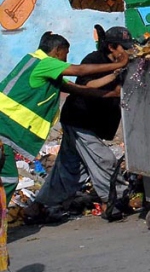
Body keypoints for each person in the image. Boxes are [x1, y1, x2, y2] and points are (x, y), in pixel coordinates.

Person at [24, 26, 135, 224]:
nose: (127, 52)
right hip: (79, 120)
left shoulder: (124, 64)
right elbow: (86, 85)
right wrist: (114, 74)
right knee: (105, 160)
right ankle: (112, 202)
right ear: (111, 47)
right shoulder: (94, 60)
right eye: (123, 48)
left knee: (70, 170)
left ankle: (38, 206)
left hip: (90, 123)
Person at [0, 32, 128, 205]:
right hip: (5, 129)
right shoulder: (44, 63)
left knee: (67, 169)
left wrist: (112, 92)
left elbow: (77, 88)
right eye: (65, 54)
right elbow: (79, 70)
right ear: (57, 50)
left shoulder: (40, 66)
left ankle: (41, 205)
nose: (65, 59)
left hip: (7, 130)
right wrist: (120, 64)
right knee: (7, 180)